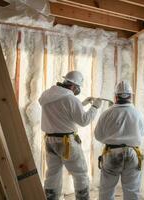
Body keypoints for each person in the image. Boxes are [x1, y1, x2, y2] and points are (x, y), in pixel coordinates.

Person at [39, 71, 102, 200]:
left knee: (52, 174)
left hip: (50, 141)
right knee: (80, 174)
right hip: (66, 142)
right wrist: (95, 107)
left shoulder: (47, 95)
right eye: (78, 88)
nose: (77, 91)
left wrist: (82, 103)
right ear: (74, 86)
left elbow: (62, 110)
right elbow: (83, 120)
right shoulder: (70, 98)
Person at [94, 80, 144, 200]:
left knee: (107, 190)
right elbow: (141, 133)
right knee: (132, 191)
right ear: (131, 96)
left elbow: (98, 135)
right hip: (133, 154)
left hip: (112, 153)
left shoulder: (106, 114)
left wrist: (111, 138)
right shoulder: (138, 114)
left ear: (115, 96)